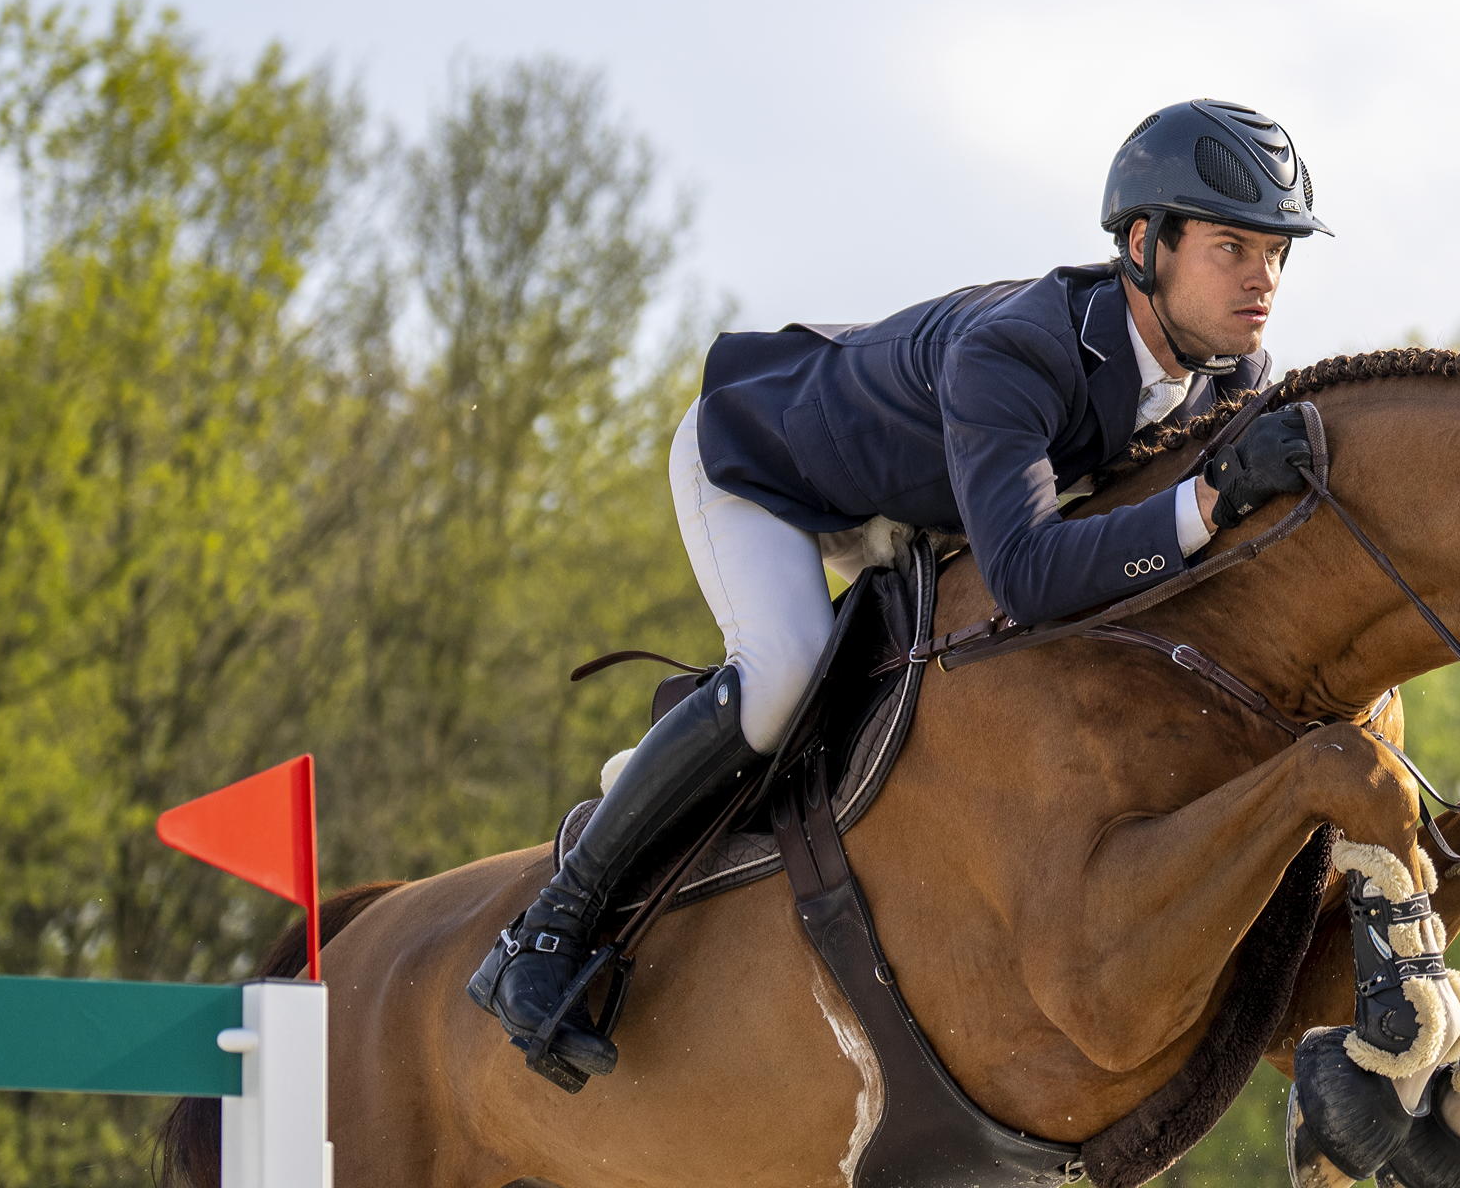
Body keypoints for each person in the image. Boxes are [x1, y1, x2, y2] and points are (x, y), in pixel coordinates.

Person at [470, 99, 1332, 1088]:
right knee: (785, 668)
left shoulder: (1230, 372)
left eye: (1277, 252)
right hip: (765, 463)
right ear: (1144, 242)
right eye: (1232, 246)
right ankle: (543, 934)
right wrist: (1213, 497)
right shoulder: (1022, 350)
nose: (1262, 277)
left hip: (917, 503)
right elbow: (1033, 572)